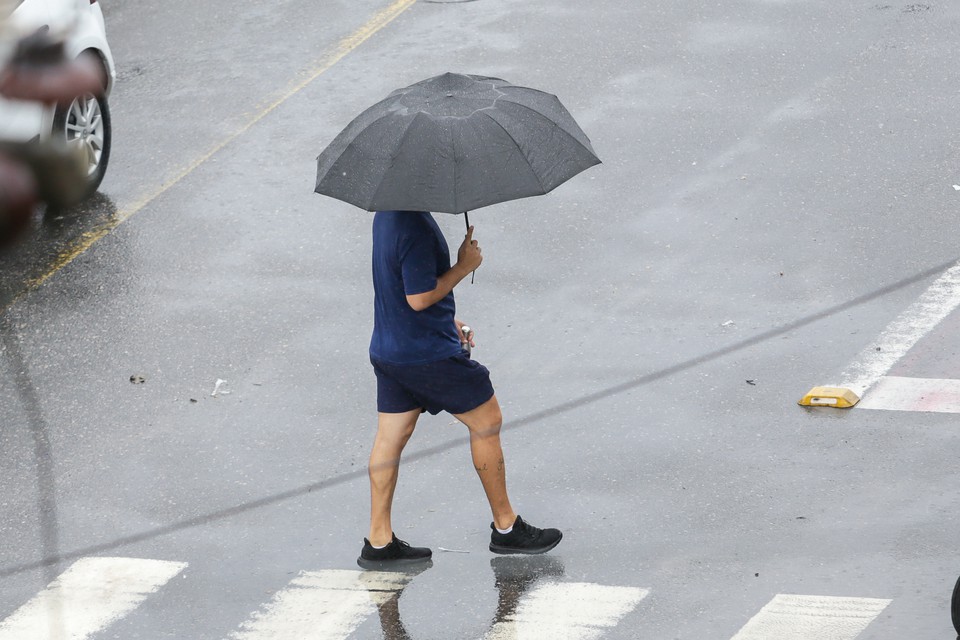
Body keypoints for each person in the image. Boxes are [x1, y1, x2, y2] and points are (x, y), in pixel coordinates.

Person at [358, 210, 561, 568]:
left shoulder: (387, 214)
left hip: (390, 349)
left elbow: (400, 282)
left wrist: (445, 319)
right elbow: (419, 297)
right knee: (487, 421)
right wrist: (464, 266)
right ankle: (506, 528)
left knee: (391, 438)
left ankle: (379, 541)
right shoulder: (415, 226)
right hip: (427, 354)